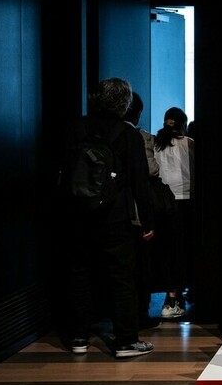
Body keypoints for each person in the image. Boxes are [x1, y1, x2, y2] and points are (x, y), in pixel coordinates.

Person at [60, 78, 155, 358]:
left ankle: (79, 336)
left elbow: (64, 172)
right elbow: (140, 182)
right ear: (125, 104)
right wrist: (148, 221)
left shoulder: (76, 128)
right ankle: (125, 341)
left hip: (77, 214)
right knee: (121, 277)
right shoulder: (128, 135)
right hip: (115, 216)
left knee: (79, 274)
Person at [122, 92, 161, 330]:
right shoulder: (140, 137)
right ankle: (140, 315)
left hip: (104, 210)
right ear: (136, 114)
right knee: (140, 266)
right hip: (135, 211)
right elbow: (151, 170)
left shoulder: (97, 133)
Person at [154, 107, 195, 319]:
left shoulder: (157, 145)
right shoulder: (190, 144)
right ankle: (172, 299)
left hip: (162, 204)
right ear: (183, 124)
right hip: (185, 202)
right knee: (181, 251)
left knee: (166, 250)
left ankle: (173, 296)